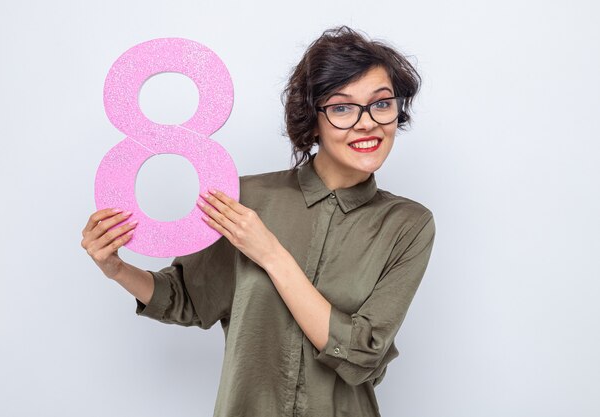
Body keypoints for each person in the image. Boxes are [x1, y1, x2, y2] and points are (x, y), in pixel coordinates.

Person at [81, 26, 436, 417]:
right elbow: (186, 298)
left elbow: (359, 355)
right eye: (342, 107)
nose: (368, 122)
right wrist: (116, 268)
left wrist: (271, 255)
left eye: (382, 104)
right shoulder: (244, 200)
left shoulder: (408, 225)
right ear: (312, 118)